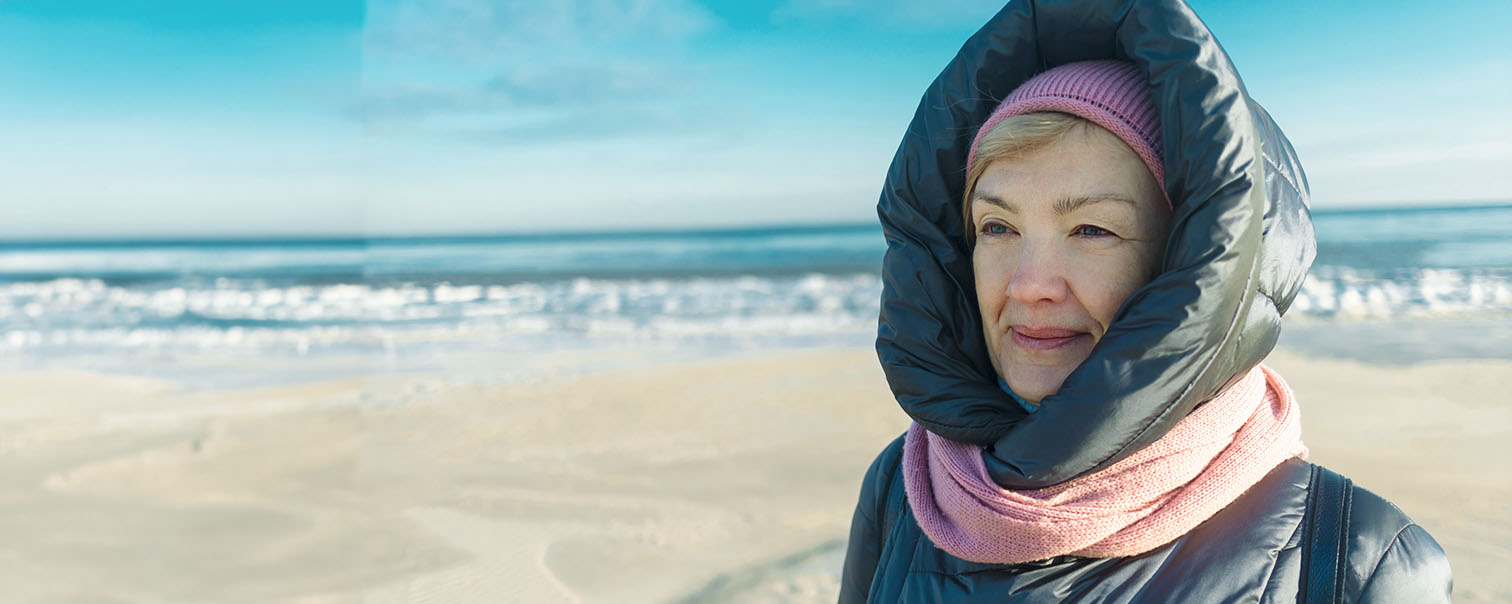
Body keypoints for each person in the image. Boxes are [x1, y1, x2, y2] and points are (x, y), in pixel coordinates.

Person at [839, 1, 1452, 602]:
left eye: (1092, 230)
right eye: (997, 228)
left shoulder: (1359, 561)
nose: (1029, 284)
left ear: (1188, 266)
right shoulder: (905, 486)